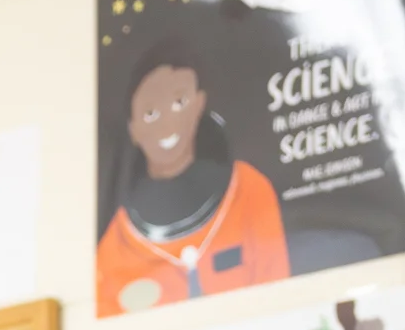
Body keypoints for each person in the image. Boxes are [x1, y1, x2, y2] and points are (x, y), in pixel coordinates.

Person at [97, 45, 289, 316]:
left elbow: (279, 300)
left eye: (179, 103)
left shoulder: (249, 190)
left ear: (199, 104)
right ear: (134, 130)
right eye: (150, 113)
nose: (167, 124)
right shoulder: (116, 247)